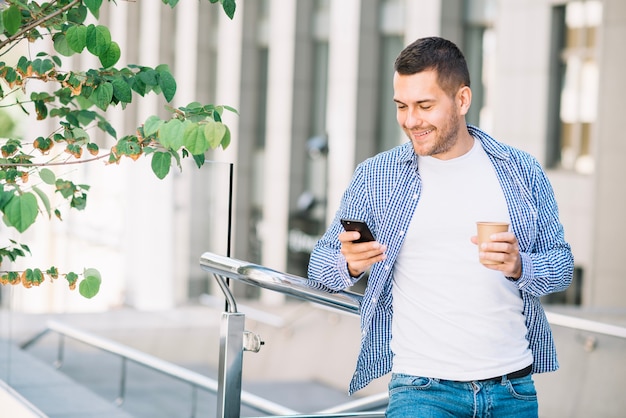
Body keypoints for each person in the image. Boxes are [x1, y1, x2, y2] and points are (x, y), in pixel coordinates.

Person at [307, 36, 573, 417]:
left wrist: (520, 267)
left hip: (512, 389)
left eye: (424, 105)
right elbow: (319, 266)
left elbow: (561, 266)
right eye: (401, 106)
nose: (411, 120)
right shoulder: (376, 177)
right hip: (422, 390)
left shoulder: (521, 171)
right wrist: (348, 263)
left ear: (462, 100)